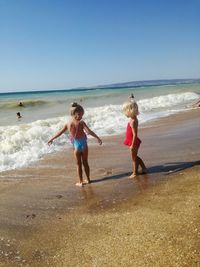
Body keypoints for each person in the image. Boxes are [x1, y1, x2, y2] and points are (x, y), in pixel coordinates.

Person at [48, 103, 102, 187]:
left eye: (82, 115)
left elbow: (60, 132)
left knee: (78, 164)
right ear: (75, 113)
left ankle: (81, 181)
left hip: (76, 146)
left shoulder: (68, 123)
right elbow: (88, 132)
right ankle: (88, 179)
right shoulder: (81, 122)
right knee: (85, 162)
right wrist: (97, 138)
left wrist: (52, 139)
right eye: (80, 114)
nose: (81, 116)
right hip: (84, 145)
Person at [122, 100, 147, 178]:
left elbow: (135, 134)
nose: (124, 113)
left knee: (134, 158)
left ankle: (135, 173)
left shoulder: (133, 121)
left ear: (130, 111)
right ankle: (144, 168)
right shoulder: (133, 118)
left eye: (125, 111)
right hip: (132, 141)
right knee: (135, 157)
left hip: (133, 142)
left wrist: (132, 145)